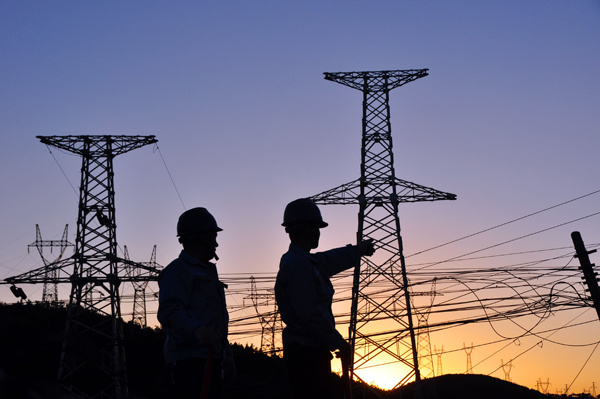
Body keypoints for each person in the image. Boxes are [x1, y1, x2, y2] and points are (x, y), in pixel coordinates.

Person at [274, 198, 375, 399]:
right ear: (306, 229)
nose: (319, 233)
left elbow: (330, 260)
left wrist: (357, 251)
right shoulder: (297, 264)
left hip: (312, 351)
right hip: (305, 354)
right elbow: (308, 314)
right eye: (316, 228)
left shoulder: (308, 262)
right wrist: (339, 343)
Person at [158, 207, 235, 399]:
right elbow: (169, 312)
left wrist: (226, 354)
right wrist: (197, 331)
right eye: (211, 236)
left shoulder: (206, 272)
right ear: (196, 237)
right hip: (188, 363)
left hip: (211, 360)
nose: (215, 243)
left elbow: (214, 321)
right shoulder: (178, 271)